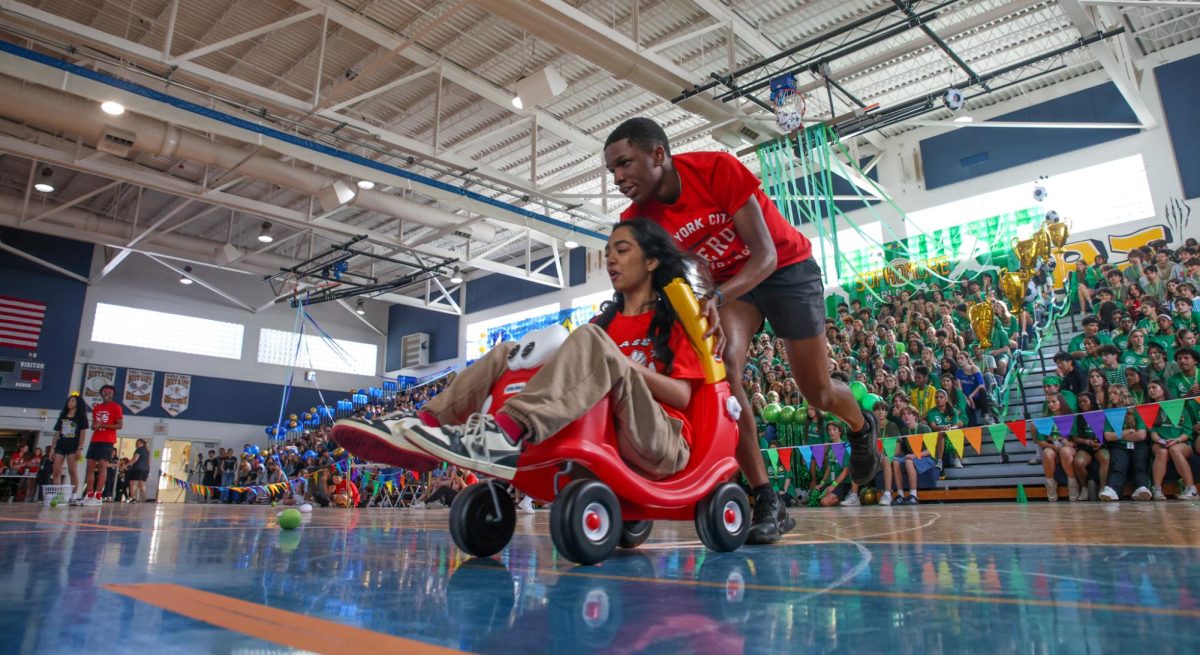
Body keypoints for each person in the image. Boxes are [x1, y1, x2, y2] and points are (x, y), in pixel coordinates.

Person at [602, 117, 883, 543]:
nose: (618, 178)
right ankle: (766, 496)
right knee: (725, 364)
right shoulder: (638, 221)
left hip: (784, 269)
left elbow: (765, 255)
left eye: (625, 163)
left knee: (817, 391)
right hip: (730, 290)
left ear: (658, 154)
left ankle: (861, 425)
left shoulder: (716, 169)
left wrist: (713, 297)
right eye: (612, 171)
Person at [358, 219, 707, 491]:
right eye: (608, 250)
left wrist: (621, 362)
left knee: (590, 340)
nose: (610, 258)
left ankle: (505, 433)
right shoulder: (603, 323)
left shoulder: (675, 323)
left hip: (663, 439)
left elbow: (682, 394)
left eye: (622, 249)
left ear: (651, 261)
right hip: (609, 428)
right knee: (508, 351)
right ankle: (426, 426)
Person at [80, 385, 122, 507]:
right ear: (101, 394)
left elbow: (119, 425)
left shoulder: (116, 407)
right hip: (95, 439)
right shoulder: (97, 407)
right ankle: (89, 494)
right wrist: (95, 426)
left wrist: (103, 425)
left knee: (102, 466)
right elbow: (93, 425)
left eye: (109, 391)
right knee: (90, 466)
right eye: (104, 391)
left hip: (107, 440)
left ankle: (98, 495)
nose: (106, 393)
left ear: (113, 394)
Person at [50, 393, 88, 504]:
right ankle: (58, 495)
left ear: (77, 403)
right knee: (56, 470)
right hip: (61, 445)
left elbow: (82, 433)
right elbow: (57, 432)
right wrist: (52, 447)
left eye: (73, 401)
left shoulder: (81, 416)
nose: (70, 403)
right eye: (69, 401)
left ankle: (73, 496)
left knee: (72, 470)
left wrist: (80, 448)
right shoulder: (63, 415)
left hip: (73, 446)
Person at [125, 438, 151, 503]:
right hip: (145, 469)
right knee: (141, 484)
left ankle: (133, 498)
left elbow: (135, 459)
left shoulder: (139, 450)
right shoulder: (147, 451)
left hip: (138, 468)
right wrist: (148, 470)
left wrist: (126, 465)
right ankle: (144, 498)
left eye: (138, 443)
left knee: (132, 483)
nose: (136, 444)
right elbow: (149, 462)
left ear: (142, 443)